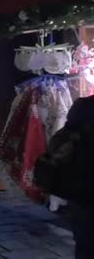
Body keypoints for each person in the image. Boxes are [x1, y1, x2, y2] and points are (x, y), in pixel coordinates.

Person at [62, 95, 94, 258]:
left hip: (81, 189)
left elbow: (62, 142)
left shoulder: (83, 106)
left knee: (85, 244)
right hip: (83, 188)